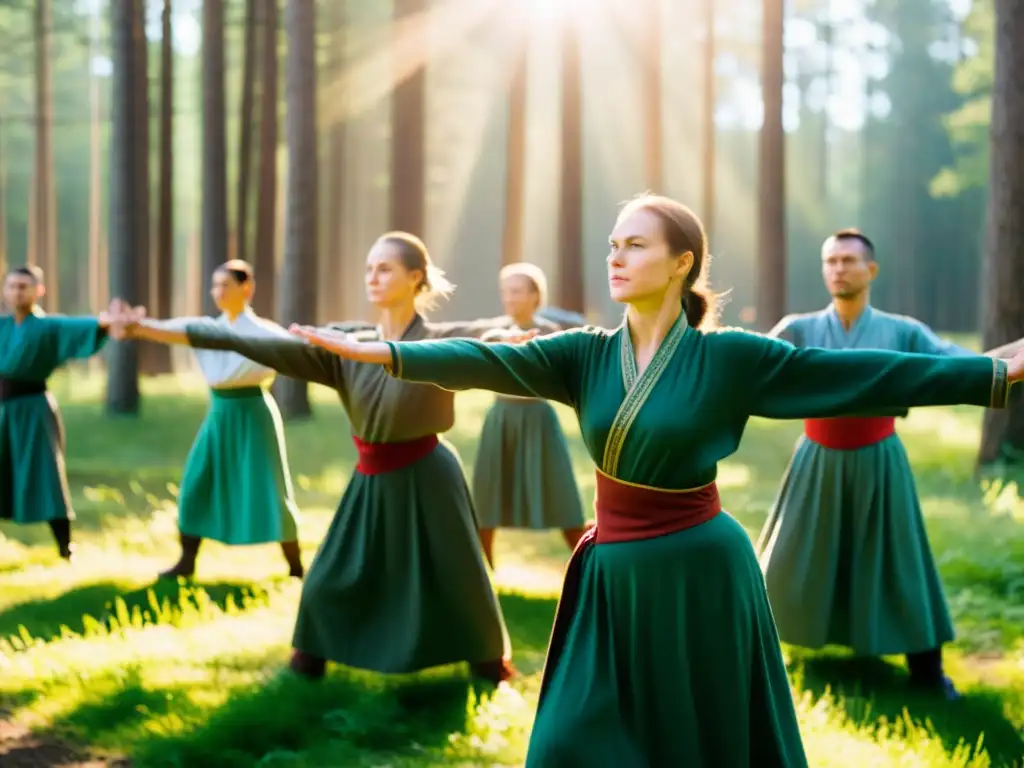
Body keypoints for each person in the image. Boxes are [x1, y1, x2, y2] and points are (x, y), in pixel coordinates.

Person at [286, 194, 1022, 767]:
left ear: (681, 263)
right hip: (611, 572)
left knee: (700, 738)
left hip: (700, 570)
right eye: (613, 244)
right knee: (568, 739)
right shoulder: (582, 355)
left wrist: (994, 368)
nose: (616, 256)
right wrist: (383, 354)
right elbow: (485, 360)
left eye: (635, 244)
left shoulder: (729, 359)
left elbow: (863, 373)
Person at [108, 232, 515, 686]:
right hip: (372, 477)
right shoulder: (344, 348)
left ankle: (487, 665)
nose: (372, 278)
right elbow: (235, 339)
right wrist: (144, 329)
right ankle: (310, 661)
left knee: (457, 577)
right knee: (326, 579)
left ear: (415, 277)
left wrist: (508, 335)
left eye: (384, 269)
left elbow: (484, 335)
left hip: (430, 476)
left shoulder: (437, 340)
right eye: (368, 268)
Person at [759, 228, 1024, 700]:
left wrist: (1009, 359)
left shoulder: (902, 330)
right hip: (816, 459)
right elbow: (751, 365)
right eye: (831, 261)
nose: (838, 268)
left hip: (880, 458)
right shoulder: (798, 328)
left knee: (900, 562)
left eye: (848, 260)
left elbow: (958, 364)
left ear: (871, 270)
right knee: (789, 561)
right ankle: (756, 656)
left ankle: (926, 670)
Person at [140, 260, 303, 580]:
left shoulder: (264, 332)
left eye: (225, 285)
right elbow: (169, 329)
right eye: (215, 285)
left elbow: (299, 351)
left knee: (271, 487)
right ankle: (187, 561)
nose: (218, 292)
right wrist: (137, 325)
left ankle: (296, 568)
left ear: (247, 288)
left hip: (254, 412)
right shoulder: (208, 329)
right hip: (220, 412)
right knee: (196, 481)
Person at [473, 262, 588, 568]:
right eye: (505, 291)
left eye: (516, 291)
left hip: (538, 421)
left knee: (565, 504)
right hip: (502, 421)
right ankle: (487, 577)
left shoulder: (549, 332)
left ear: (535, 296)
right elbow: (481, 354)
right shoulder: (495, 334)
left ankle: (591, 569)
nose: (509, 298)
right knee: (485, 504)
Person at [0, 266, 113, 561]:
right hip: (2, 412)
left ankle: (65, 547)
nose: (16, 292)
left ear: (39, 291)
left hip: (33, 411)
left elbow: (83, 327)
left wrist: (107, 322)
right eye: (11, 286)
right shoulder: (2, 326)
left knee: (46, 474)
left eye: (24, 286)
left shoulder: (48, 326)